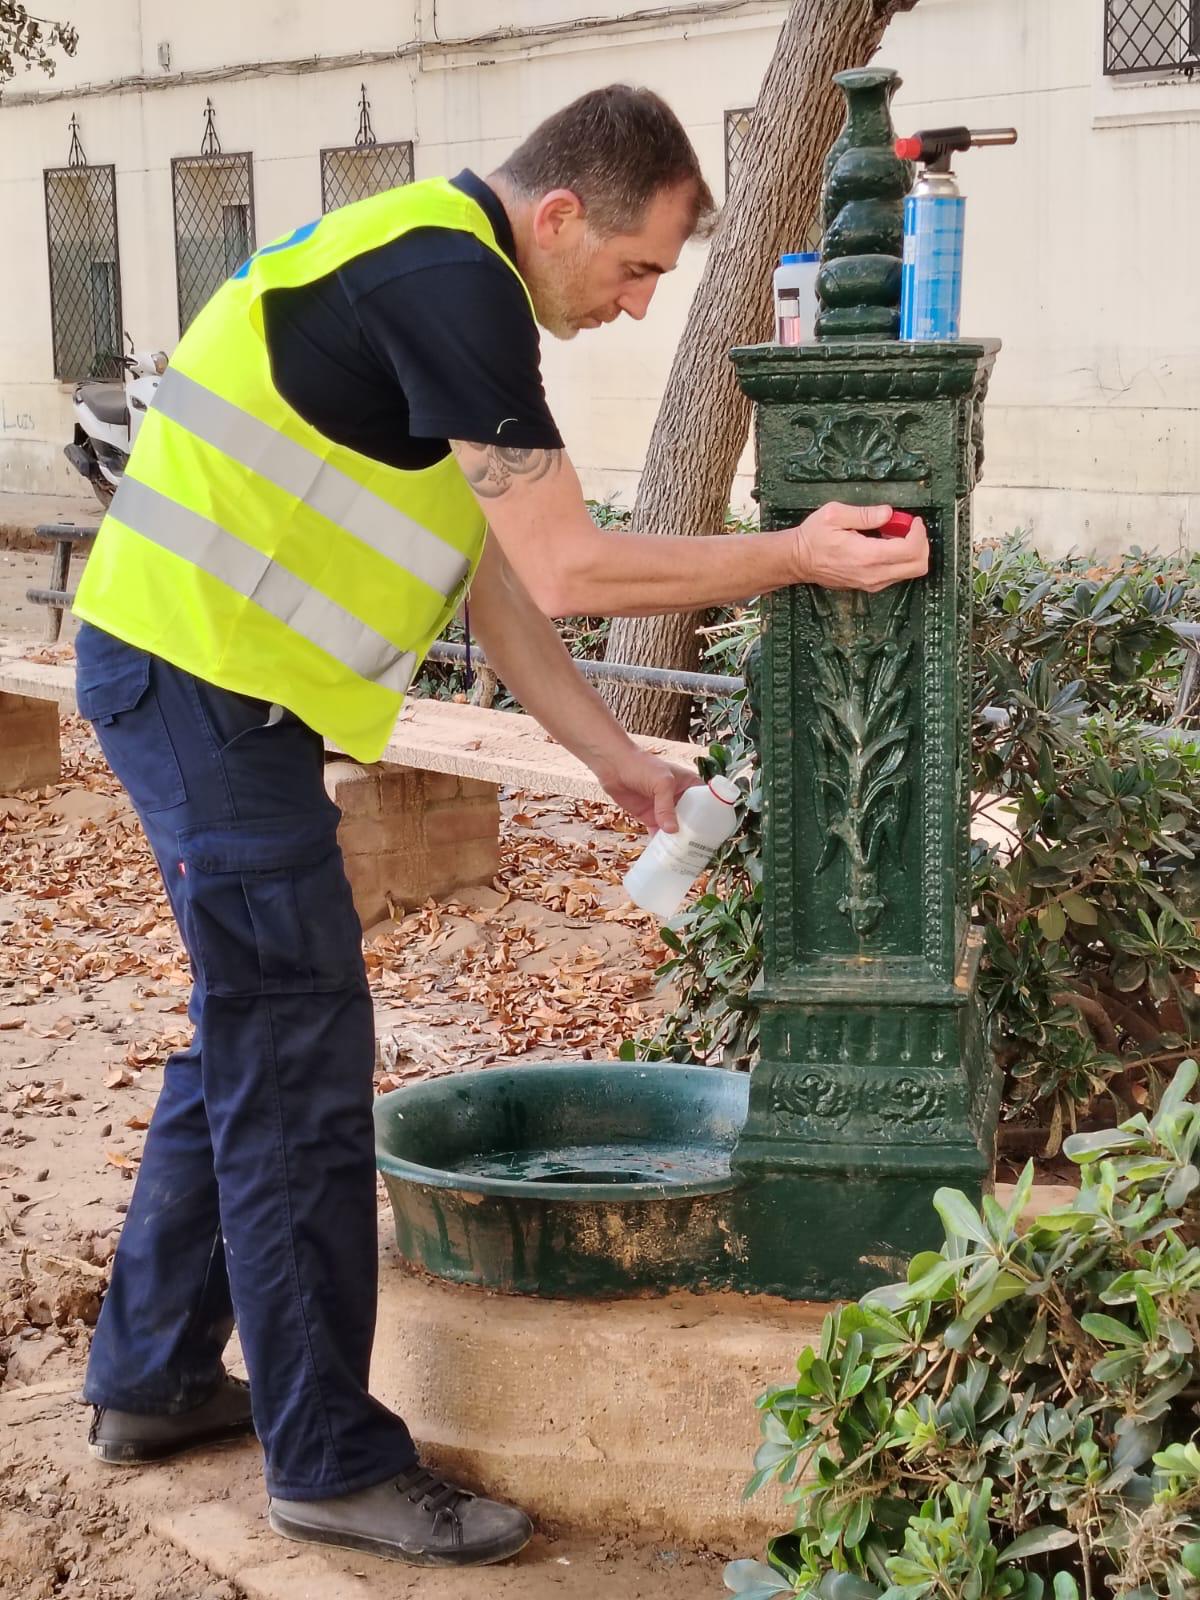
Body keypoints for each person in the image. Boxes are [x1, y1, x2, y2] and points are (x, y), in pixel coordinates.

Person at [70, 84, 928, 1569]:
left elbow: (503, 592)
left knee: (248, 1039)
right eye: (638, 266)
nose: (641, 301)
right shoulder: (447, 279)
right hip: (198, 683)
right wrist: (794, 554)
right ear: (556, 217)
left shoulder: (434, 289)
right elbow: (578, 565)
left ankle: (149, 1381)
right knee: (299, 1059)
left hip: (214, 687)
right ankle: (329, 1459)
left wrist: (616, 765)